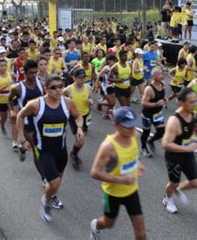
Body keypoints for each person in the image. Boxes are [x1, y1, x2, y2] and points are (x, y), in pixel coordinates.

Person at [17, 74, 85, 222]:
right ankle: (46, 202)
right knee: (53, 182)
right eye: (53, 87)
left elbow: (78, 117)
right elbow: (20, 116)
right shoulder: (36, 105)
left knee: (57, 181)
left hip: (61, 150)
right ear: (46, 89)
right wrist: (22, 138)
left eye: (60, 86)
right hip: (43, 150)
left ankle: (51, 195)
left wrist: (79, 128)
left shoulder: (68, 103)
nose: (58, 90)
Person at [90, 107, 146, 240]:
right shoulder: (108, 146)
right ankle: (95, 226)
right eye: (127, 126)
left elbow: (133, 154)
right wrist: (121, 180)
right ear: (116, 125)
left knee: (141, 234)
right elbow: (95, 172)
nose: (132, 129)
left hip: (131, 191)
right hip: (112, 194)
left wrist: (138, 163)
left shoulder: (135, 136)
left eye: (133, 124)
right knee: (108, 224)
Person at [162, 88, 197, 214]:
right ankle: (168, 199)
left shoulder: (192, 114)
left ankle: (177, 189)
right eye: (191, 102)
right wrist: (186, 148)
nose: (194, 105)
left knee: (196, 182)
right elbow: (165, 144)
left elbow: (188, 134)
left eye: (195, 101)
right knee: (173, 183)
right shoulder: (174, 121)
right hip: (174, 157)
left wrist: (195, 140)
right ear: (181, 102)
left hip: (187, 155)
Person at [8, 60, 46, 180]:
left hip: (41, 120)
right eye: (31, 73)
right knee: (36, 149)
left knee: (40, 146)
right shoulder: (17, 88)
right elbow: (9, 99)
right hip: (26, 123)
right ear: (24, 73)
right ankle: (43, 178)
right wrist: (12, 111)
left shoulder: (41, 84)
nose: (34, 75)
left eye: (36, 72)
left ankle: (22, 148)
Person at [64, 68, 92, 170]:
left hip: (85, 115)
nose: (82, 80)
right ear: (74, 78)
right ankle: (73, 154)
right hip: (74, 116)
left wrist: (90, 101)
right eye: (80, 78)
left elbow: (91, 98)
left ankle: (73, 153)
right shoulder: (68, 89)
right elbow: (61, 99)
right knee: (81, 140)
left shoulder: (88, 88)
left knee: (81, 138)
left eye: (84, 77)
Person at [140, 68, 167, 158]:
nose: (162, 75)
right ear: (154, 76)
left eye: (162, 74)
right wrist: (156, 104)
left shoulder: (162, 84)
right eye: (159, 74)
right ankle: (143, 148)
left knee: (161, 132)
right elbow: (143, 103)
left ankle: (151, 141)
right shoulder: (149, 89)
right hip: (147, 114)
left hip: (157, 113)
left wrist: (165, 99)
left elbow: (161, 96)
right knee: (146, 132)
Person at [95, 55, 117, 120]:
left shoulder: (116, 67)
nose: (113, 62)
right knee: (111, 103)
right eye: (111, 60)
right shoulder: (106, 68)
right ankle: (99, 102)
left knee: (113, 103)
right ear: (108, 61)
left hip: (113, 86)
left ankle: (108, 115)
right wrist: (96, 86)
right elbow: (98, 76)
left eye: (114, 60)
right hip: (105, 87)